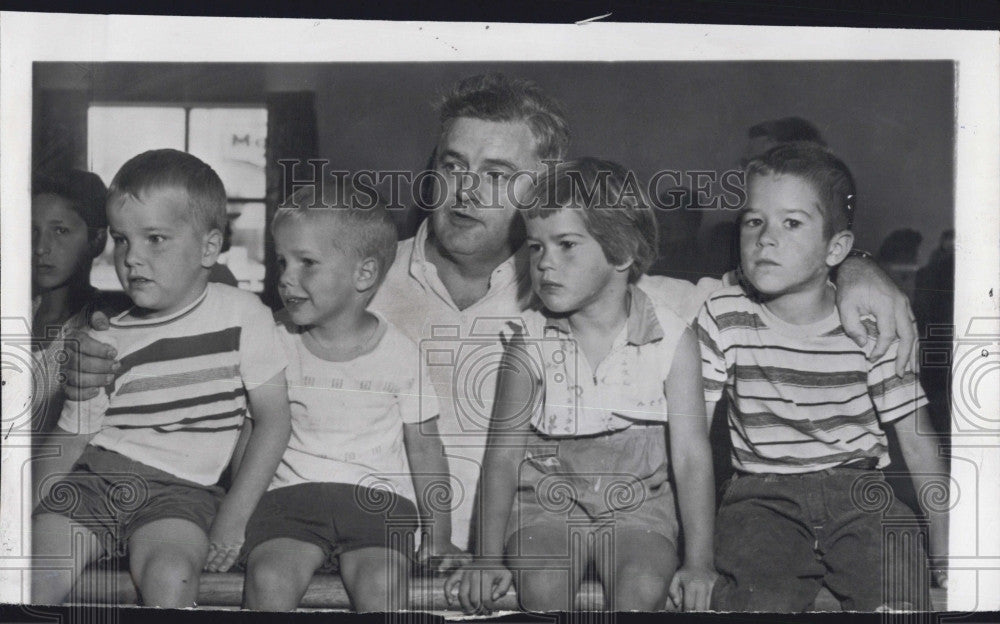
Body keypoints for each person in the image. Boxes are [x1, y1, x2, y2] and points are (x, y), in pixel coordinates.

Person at [62, 72, 918, 574]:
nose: (469, 191)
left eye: (500, 175)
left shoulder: (607, 292)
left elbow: (772, 282)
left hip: (542, 575)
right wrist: (81, 351)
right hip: (356, 573)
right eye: (455, 165)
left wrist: (858, 268)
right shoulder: (336, 288)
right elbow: (185, 320)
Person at [445, 159, 716, 612]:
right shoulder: (527, 342)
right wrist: (486, 558)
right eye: (535, 247)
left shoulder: (672, 339)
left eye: (566, 244)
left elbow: (691, 456)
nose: (545, 263)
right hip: (544, 506)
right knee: (545, 585)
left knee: (642, 587)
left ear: (622, 253)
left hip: (638, 509)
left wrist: (701, 561)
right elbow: (503, 455)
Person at [31, 150, 292, 607]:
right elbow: (75, 434)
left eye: (155, 239)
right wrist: (16, 506)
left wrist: (234, 514)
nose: (132, 258)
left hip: (182, 495)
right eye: (122, 240)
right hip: (94, 481)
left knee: (171, 576)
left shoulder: (243, 315)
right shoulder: (106, 333)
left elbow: (273, 420)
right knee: (32, 571)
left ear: (209, 247)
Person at [698, 143, 947, 611]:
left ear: (836, 248)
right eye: (754, 221)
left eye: (791, 222)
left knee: (900, 591)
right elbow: (691, 435)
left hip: (860, 493)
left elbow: (918, 442)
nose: (766, 238)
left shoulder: (868, 325)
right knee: (757, 598)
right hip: (761, 497)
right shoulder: (723, 313)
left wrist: (948, 550)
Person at [239, 184, 466, 611]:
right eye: (283, 261)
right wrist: (238, 517)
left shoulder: (399, 354)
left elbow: (425, 445)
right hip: (291, 502)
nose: (286, 277)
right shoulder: (271, 340)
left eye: (307, 263)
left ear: (364, 274)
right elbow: (251, 431)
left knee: (382, 584)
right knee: (269, 577)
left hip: (377, 506)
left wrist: (438, 536)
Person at [31, 170, 110, 435]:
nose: (41, 247)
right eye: (32, 230)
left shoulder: (100, 326)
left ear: (97, 240)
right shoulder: (12, 310)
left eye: (60, 230)